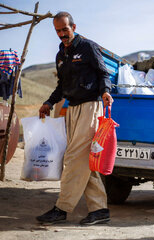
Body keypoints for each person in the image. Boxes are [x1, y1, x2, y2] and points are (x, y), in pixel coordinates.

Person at [36, 11, 113, 225]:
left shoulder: (88, 47)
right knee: (85, 161)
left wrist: (106, 91)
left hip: (91, 107)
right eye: (58, 31)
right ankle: (100, 210)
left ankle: (62, 208)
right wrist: (49, 102)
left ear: (74, 27)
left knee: (73, 159)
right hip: (73, 109)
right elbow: (62, 85)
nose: (62, 35)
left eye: (65, 30)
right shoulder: (61, 54)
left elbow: (103, 74)